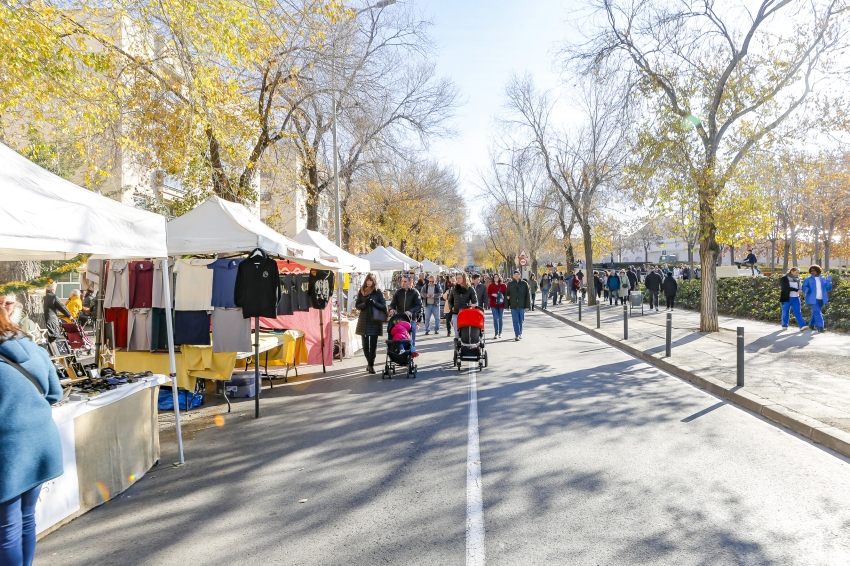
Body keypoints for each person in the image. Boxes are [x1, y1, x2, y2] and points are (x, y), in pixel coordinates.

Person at [0, 302, 64, 566]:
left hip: (9, 450)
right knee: (25, 518)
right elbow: (54, 394)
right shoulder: (31, 346)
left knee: (7, 529)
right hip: (39, 442)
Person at [355, 274, 386, 374]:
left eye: (371, 280)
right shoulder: (362, 290)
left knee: (373, 344)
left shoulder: (377, 292)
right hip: (363, 320)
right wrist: (365, 304)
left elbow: (383, 305)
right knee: (364, 344)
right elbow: (357, 305)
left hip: (374, 320)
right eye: (367, 280)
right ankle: (369, 363)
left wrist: (374, 303)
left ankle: (371, 365)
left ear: (374, 281)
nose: (369, 282)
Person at [388, 276, 423, 345]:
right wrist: (392, 309)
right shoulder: (398, 292)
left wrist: (411, 311)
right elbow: (392, 304)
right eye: (402, 281)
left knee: (411, 340)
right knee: (398, 338)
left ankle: (411, 352)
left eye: (405, 281)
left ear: (410, 282)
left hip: (411, 319)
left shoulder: (415, 292)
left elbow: (419, 305)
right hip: (399, 319)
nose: (403, 283)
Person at [801, 265, 832, 332]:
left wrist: (829, 282)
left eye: (814, 270)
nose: (812, 272)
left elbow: (828, 288)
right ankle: (820, 327)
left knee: (815, 312)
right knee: (817, 312)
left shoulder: (823, 278)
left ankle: (811, 325)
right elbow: (804, 287)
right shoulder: (808, 279)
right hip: (812, 299)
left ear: (818, 270)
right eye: (811, 271)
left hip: (821, 299)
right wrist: (806, 289)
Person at [447, 272, 477, 337]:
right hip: (456, 312)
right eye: (457, 278)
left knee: (465, 330)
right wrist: (451, 307)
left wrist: (474, 305)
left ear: (464, 278)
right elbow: (449, 301)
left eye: (459, 278)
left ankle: (465, 341)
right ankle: (457, 339)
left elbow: (475, 301)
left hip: (466, 312)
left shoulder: (470, 289)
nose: (457, 279)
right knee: (456, 329)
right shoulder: (454, 289)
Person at [505, 270, 531, 340]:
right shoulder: (510, 284)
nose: (516, 275)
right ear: (513, 275)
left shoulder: (524, 284)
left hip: (522, 306)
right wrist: (507, 306)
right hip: (513, 306)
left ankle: (520, 333)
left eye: (517, 274)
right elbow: (507, 294)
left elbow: (528, 295)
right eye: (515, 274)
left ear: (520, 275)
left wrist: (528, 306)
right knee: (515, 320)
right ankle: (517, 335)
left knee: (521, 320)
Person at [488, 274, 508, 338]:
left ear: (499, 278)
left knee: (500, 318)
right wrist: (492, 295)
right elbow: (488, 294)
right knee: (495, 318)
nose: (495, 278)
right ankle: (496, 333)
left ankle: (500, 333)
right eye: (494, 277)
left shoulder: (504, 285)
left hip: (501, 304)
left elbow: (506, 294)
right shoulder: (491, 285)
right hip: (493, 304)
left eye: (497, 277)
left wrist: (507, 304)